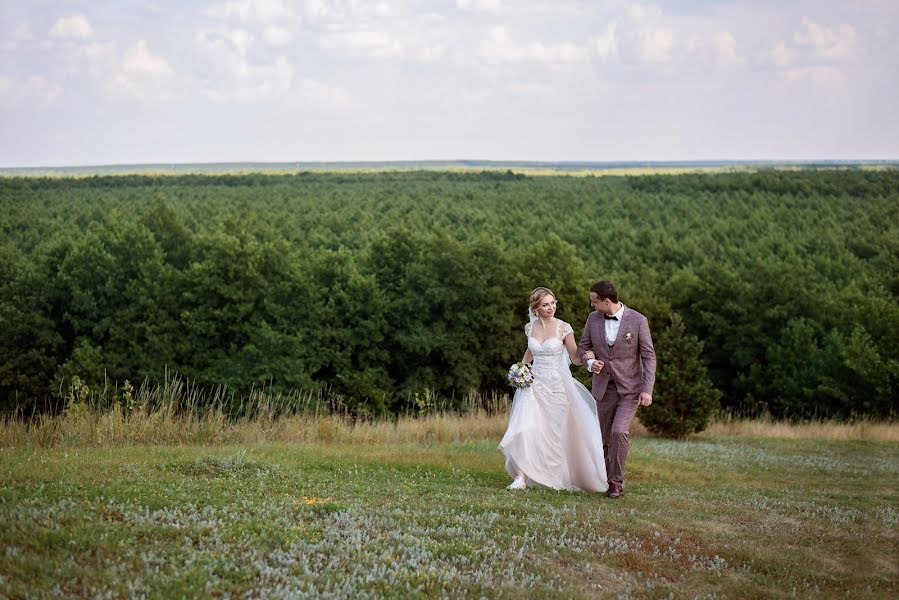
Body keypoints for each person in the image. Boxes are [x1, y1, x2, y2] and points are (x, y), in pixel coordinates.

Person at [498, 287, 608, 492]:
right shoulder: (529, 328)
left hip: (557, 386)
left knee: (552, 432)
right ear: (536, 308)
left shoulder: (564, 328)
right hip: (533, 385)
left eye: (553, 302)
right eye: (546, 304)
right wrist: (520, 369)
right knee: (526, 427)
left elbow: (575, 358)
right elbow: (531, 351)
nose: (551, 307)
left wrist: (590, 359)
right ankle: (520, 477)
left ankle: (554, 476)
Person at [577, 280, 656, 499]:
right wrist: (590, 363)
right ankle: (602, 478)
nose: (592, 306)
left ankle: (615, 483)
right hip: (603, 388)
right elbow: (583, 347)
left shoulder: (639, 321)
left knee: (619, 431)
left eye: (594, 302)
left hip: (630, 389)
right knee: (602, 437)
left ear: (607, 301)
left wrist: (647, 389)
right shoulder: (593, 319)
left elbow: (649, 356)